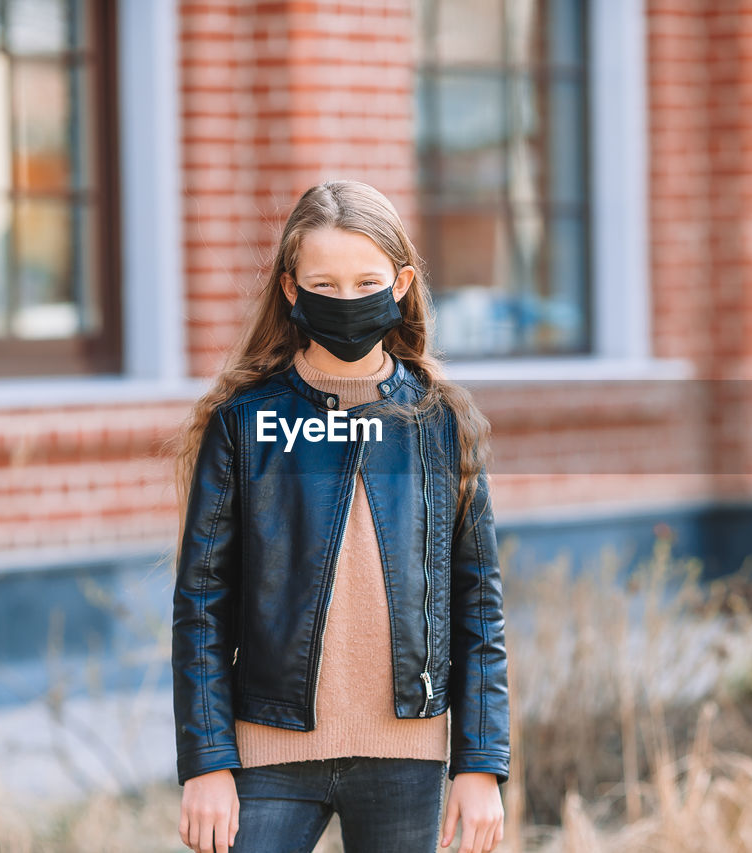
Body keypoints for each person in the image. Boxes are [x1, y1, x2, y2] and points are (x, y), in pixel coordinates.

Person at [171, 180, 511, 853]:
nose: (347, 301)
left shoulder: (441, 423)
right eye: (325, 283)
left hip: (406, 757)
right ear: (292, 289)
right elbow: (201, 603)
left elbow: (479, 605)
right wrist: (207, 758)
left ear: (403, 284)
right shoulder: (244, 424)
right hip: (267, 753)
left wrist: (481, 763)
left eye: (367, 282)